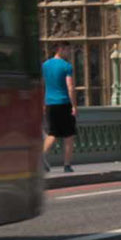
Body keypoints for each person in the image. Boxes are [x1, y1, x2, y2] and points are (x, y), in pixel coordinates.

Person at [39, 43, 78, 173]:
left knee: (52, 133)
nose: (69, 52)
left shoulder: (45, 65)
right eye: (67, 50)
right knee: (69, 135)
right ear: (60, 50)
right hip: (63, 102)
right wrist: (74, 105)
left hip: (49, 103)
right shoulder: (66, 66)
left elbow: (42, 85)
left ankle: (40, 157)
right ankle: (67, 165)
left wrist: (43, 103)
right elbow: (70, 86)